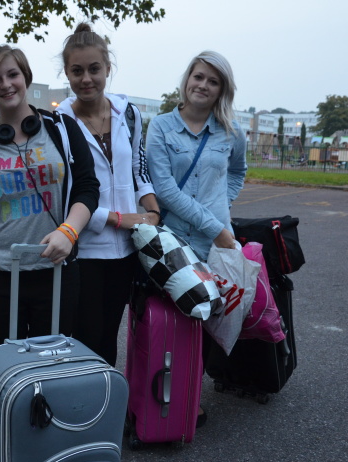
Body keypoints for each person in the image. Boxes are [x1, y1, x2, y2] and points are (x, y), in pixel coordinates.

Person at [0, 45, 100, 351]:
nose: (6, 84)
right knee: (5, 368)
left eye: (13, 74)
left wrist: (69, 232)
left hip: (56, 271)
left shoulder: (62, 130)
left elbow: (88, 188)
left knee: (51, 365)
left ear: (26, 77)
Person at [146, 50, 247, 427]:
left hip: (214, 244)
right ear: (187, 79)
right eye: (198, 76)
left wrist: (223, 203)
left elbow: (238, 171)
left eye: (213, 81)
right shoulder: (161, 126)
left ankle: (190, 394)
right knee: (170, 317)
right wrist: (215, 224)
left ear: (222, 90)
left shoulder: (231, 132)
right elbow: (164, 190)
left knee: (205, 317)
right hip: (173, 239)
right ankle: (159, 393)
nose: (203, 85)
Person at [56, 23, 160, 366]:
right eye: (77, 71)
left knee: (109, 336)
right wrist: (115, 218)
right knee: (84, 338)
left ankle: (107, 399)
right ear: (67, 73)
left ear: (107, 68)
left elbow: (139, 169)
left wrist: (152, 211)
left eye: (94, 69)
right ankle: (84, 397)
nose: (86, 79)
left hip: (127, 249)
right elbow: (64, 193)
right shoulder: (59, 123)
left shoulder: (128, 113)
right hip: (84, 249)